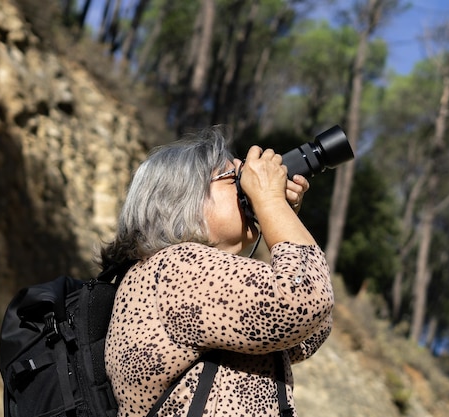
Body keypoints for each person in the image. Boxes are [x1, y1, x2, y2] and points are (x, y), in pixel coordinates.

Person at [101, 126, 334, 417]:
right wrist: (270, 202)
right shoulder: (176, 268)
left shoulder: (183, 274)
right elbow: (306, 299)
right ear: (182, 199)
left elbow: (309, 331)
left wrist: (280, 216)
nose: (249, 188)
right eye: (236, 180)